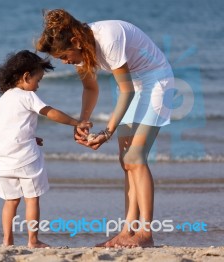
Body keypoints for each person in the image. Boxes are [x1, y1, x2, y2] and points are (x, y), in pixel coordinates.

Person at [36, 9, 175, 248]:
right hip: (137, 86)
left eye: (64, 56)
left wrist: (107, 132)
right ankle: (127, 231)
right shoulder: (82, 50)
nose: (64, 62)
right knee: (126, 161)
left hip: (156, 82)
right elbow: (91, 89)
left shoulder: (107, 38)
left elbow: (127, 90)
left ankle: (146, 233)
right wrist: (83, 122)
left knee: (136, 157)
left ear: (75, 42)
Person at [0, 50, 91, 248]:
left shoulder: (1, 101)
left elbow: (8, 128)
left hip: (4, 159)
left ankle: (7, 241)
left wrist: (31, 137)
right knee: (31, 199)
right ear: (26, 76)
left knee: (10, 201)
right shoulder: (27, 96)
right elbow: (50, 113)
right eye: (38, 80)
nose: (37, 86)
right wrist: (76, 122)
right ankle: (33, 240)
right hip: (26, 159)